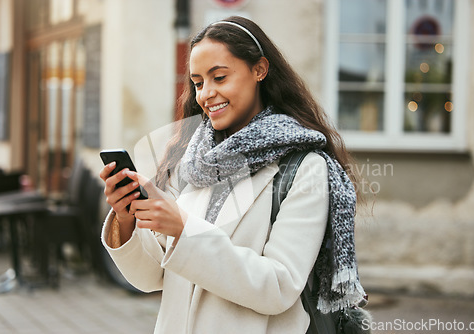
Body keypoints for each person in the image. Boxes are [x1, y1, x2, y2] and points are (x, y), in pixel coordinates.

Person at [99, 16, 367, 334]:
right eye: (198, 83)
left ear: (260, 70)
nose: (206, 93)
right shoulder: (192, 162)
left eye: (220, 77)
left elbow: (279, 287)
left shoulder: (305, 166)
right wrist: (127, 220)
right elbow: (150, 279)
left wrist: (185, 230)